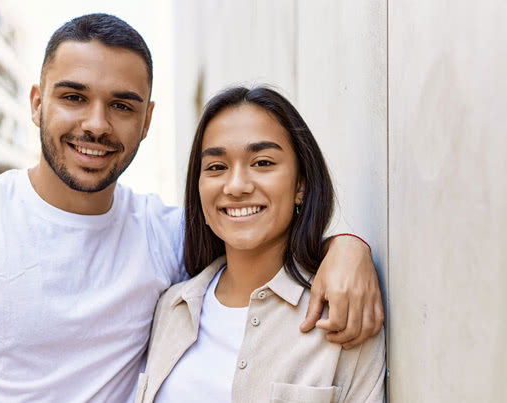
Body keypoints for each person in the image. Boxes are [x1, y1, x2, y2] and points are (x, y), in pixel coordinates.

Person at [0, 14, 383, 403]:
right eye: (73, 96)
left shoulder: (166, 238)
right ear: (36, 102)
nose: (96, 124)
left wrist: (348, 247)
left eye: (121, 105)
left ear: (148, 118)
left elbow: (256, 231)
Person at [137, 86, 386, 402]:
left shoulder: (342, 308)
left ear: (301, 184)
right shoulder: (170, 308)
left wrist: (351, 246)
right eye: (216, 167)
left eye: (263, 162)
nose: (237, 185)